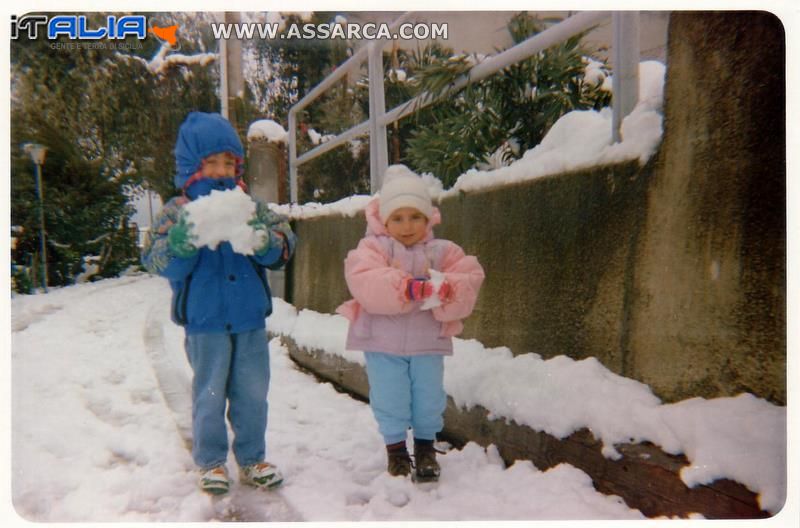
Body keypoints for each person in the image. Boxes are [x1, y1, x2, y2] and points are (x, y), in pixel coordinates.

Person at [141, 112, 296, 495]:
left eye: (229, 162)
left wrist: (267, 242)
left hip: (248, 319)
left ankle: (251, 457)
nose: (222, 171)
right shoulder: (177, 212)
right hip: (205, 322)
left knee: (253, 394)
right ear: (191, 166)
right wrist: (179, 244)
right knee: (209, 392)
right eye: (212, 162)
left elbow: (286, 243)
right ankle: (211, 462)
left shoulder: (249, 205)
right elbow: (154, 259)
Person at [336, 165, 485, 482]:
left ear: (428, 217)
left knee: (428, 397)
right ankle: (396, 451)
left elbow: (470, 276)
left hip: (427, 342)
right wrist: (405, 287)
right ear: (384, 219)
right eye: (398, 218)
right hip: (382, 342)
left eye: (415, 217)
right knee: (390, 396)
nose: (407, 226)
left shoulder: (443, 251)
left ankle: (426, 448)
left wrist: (448, 288)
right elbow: (363, 278)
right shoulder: (373, 248)